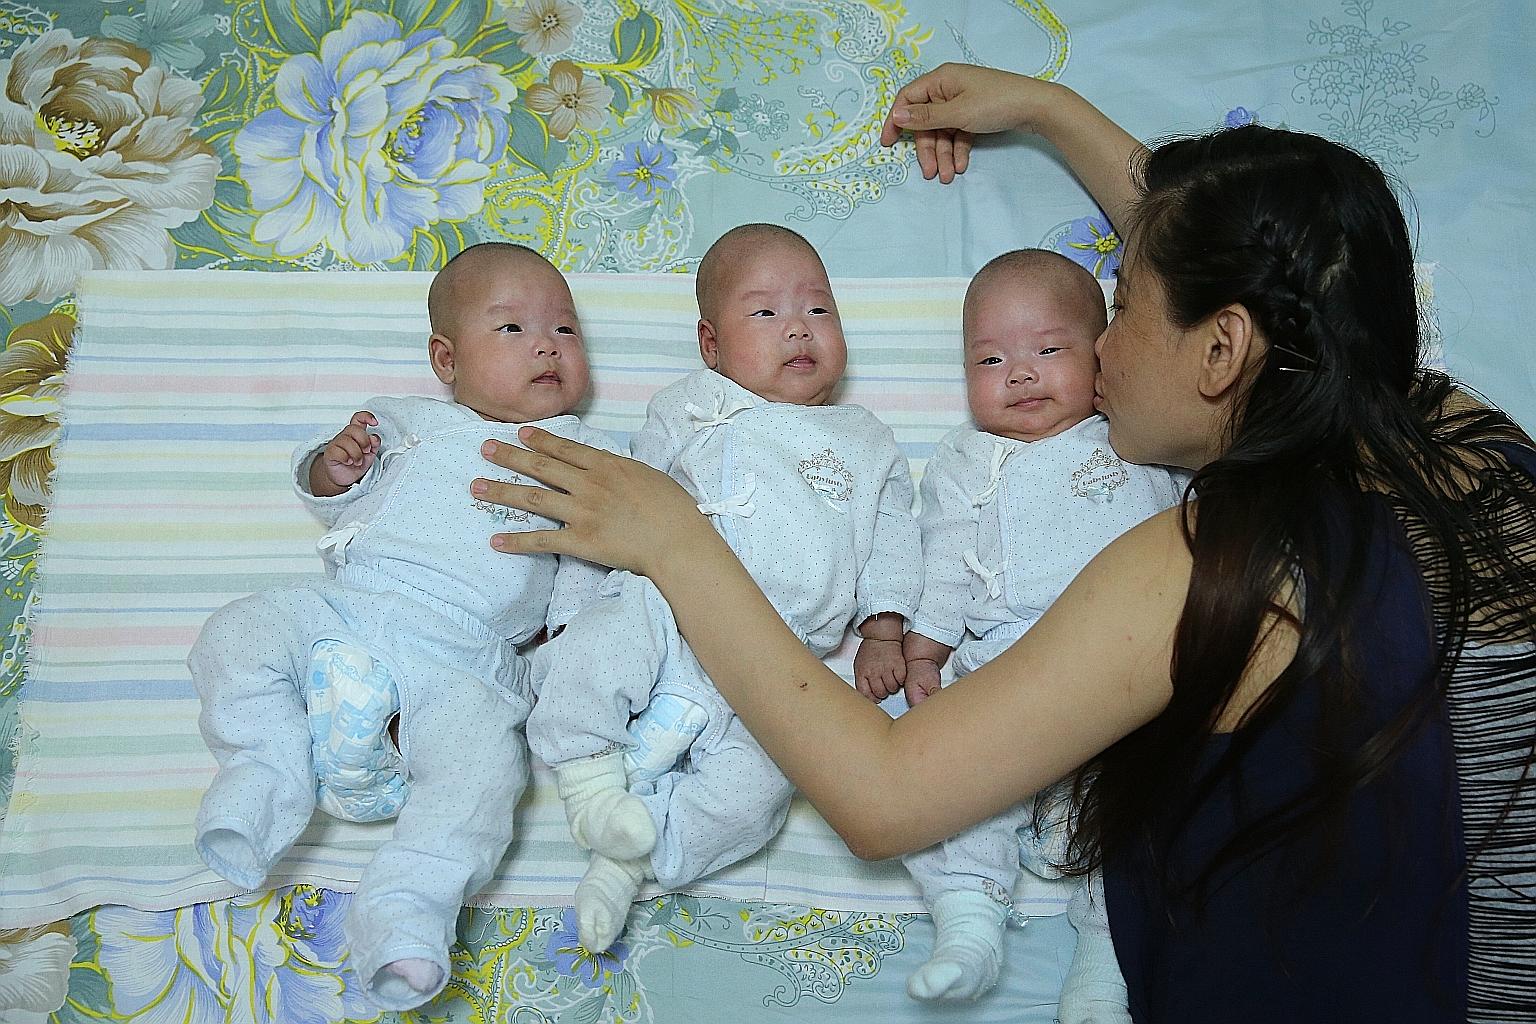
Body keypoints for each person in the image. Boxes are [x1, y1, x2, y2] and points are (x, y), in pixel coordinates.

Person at [473, 64, 1536, 1023]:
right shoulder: (1455, 433)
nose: (1097, 343)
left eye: (1119, 308)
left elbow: (886, 795)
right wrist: (1043, 109)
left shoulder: (1223, 568)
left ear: (1222, 349)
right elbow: (1261, 268)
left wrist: (675, 541)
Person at [187, 243, 621, 1011]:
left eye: (565, 329)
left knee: (485, 776)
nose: (548, 345)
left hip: (470, 656)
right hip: (353, 605)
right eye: (513, 329)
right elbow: (330, 493)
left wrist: (571, 637)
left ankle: (408, 916)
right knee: (233, 635)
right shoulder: (405, 420)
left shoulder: (586, 453)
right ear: (446, 359)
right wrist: (334, 468)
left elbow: (592, 558)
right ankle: (263, 776)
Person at [524, 223, 921, 953]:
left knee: (764, 785)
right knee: (598, 654)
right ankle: (587, 782)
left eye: (819, 310)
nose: (797, 328)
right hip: (667, 605)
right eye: (765, 313)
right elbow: (622, 501)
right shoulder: (691, 407)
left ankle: (637, 858)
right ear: (712, 347)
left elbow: (894, 530)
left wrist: (884, 626)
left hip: (783, 659)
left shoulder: (864, 438)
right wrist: (577, 613)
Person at [894, 248, 1183, 1009]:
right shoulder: (967, 458)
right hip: (1002, 662)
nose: (1019, 374)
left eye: (1049, 350)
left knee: (1142, 808)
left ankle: (1105, 959)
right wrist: (926, 648)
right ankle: (968, 919)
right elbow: (945, 554)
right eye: (990, 359)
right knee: (954, 778)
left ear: (1103, 361)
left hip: (1125, 669)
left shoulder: (1130, 439)